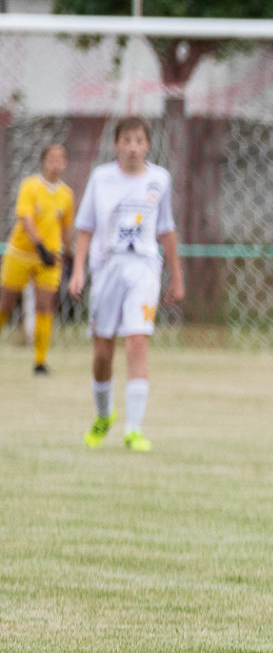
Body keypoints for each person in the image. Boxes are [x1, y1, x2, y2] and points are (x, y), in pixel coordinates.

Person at [66, 119, 181, 450]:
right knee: (103, 350)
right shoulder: (101, 178)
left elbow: (167, 229)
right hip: (107, 268)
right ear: (116, 144)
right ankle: (104, 415)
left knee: (137, 341)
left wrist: (177, 275)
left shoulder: (159, 179)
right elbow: (85, 227)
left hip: (144, 267)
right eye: (127, 140)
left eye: (139, 140)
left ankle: (134, 429)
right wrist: (78, 271)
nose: (133, 146)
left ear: (147, 145)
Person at [4, 141, 74, 375]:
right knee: (6, 303)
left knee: (45, 305)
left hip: (50, 258)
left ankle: (40, 361)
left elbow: (65, 227)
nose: (56, 161)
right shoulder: (30, 186)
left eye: (61, 157)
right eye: (52, 157)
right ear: (43, 160)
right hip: (22, 253)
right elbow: (26, 218)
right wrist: (40, 246)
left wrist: (70, 254)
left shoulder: (66, 194)